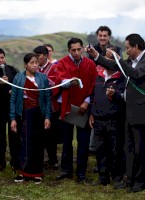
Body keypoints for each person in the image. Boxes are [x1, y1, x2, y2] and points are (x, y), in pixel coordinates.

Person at [87, 33, 145, 192]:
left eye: (128, 48)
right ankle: (130, 178)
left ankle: (140, 182)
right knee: (129, 148)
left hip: (141, 112)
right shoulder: (130, 61)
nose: (126, 51)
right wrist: (96, 55)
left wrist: (118, 58)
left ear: (136, 47)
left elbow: (136, 74)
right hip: (129, 111)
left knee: (140, 149)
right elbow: (113, 65)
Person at [55, 38, 97, 182]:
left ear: (83, 48)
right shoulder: (62, 63)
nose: (77, 52)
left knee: (83, 142)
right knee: (66, 141)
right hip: (67, 107)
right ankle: (66, 170)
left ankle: (81, 173)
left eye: (79, 49)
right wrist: (66, 82)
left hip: (83, 108)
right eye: (73, 50)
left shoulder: (90, 64)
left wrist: (87, 102)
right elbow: (58, 79)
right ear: (69, 50)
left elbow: (93, 84)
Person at [10, 53, 51, 184]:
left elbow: (47, 99)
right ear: (25, 65)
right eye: (32, 62)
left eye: (37, 62)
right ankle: (23, 172)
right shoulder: (18, 78)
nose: (35, 65)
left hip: (39, 113)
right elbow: (13, 99)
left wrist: (48, 117)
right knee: (24, 142)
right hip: (24, 113)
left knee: (38, 142)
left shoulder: (43, 78)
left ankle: (37, 173)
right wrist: (13, 118)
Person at [89, 45, 126, 186]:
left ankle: (117, 178)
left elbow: (124, 98)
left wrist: (114, 95)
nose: (109, 60)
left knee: (115, 150)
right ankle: (102, 177)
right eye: (107, 57)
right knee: (100, 149)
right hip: (98, 118)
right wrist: (92, 113)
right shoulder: (98, 74)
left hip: (115, 119)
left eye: (112, 57)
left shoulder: (122, 77)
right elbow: (93, 95)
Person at [88, 25, 123, 155]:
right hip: (98, 83)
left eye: (105, 36)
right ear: (97, 36)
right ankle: (93, 148)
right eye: (100, 35)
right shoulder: (92, 50)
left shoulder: (117, 50)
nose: (102, 38)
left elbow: (120, 66)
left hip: (112, 83)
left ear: (109, 37)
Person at [0, 48, 21, 172]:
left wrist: (14, 90)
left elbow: (18, 85)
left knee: (14, 135)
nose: (1, 60)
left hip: (12, 109)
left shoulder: (13, 70)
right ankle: (0, 162)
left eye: (2, 57)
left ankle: (15, 161)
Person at [33, 45, 60, 170]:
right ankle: (40, 159)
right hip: (38, 106)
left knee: (51, 135)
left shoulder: (55, 68)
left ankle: (53, 160)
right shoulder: (35, 69)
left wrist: (43, 82)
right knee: (39, 134)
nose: (37, 58)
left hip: (51, 106)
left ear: (45, 55)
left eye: (39, 56)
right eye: (36, 56)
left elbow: (56, 85)